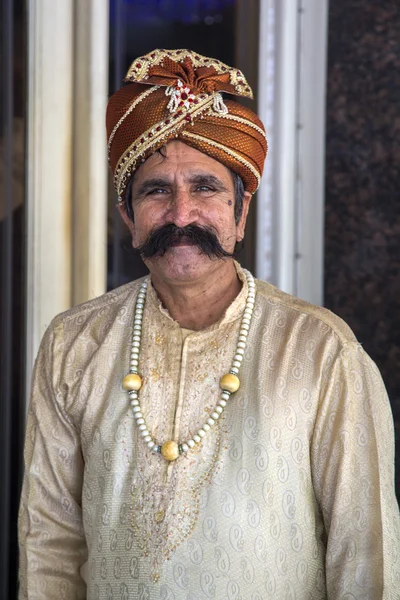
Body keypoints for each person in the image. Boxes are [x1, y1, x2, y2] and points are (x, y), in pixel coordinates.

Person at [18, 49, 400, 600]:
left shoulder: (321, 351)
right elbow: (48, 542)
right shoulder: (74, 344)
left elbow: (367, 558)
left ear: (240, 214)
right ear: (127, 216)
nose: (180, 214)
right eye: (156, 190)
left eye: (205, 188)